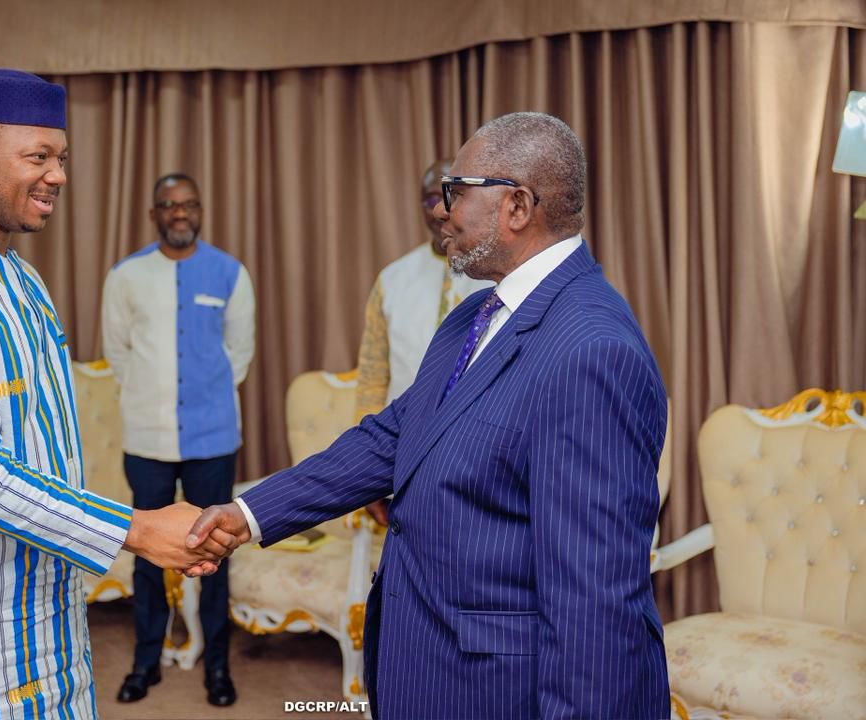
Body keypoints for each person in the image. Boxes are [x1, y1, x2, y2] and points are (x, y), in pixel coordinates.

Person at [188, 112, 671, 719]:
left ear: (517, 206)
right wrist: (248, 513)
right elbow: (393, 436)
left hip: (499, 692)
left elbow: (593, 606)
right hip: (427, 667)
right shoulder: (474, 317)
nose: (443, 211)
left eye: (457, 192)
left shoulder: (592, 348)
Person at [0, 69, 232, 719]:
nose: (58, 175)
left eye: (63, 158)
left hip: (48, 627)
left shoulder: (25, 284)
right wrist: (138, 529)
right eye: (39, 157)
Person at [102, 172, 255, 707]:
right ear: (155, 215)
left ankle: (217, 666)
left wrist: (204, 397)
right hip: (147, 439)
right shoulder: (126, 276)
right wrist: (154, 397)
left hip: (214, 439)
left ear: (200, 210)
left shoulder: (230, 273)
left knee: (217, 550)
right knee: (146, 551)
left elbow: (239, 354)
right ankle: (145, 662)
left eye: (188, 204)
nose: (180, 212)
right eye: (168, 204)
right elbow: (118, 353)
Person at [355, 159, 493, 525]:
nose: (441, 208)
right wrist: (367, 474)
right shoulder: (392, 280)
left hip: (480, 464)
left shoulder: (498, 275)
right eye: (432, 197)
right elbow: (372, 380)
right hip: (403, 455)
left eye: (454, 195)